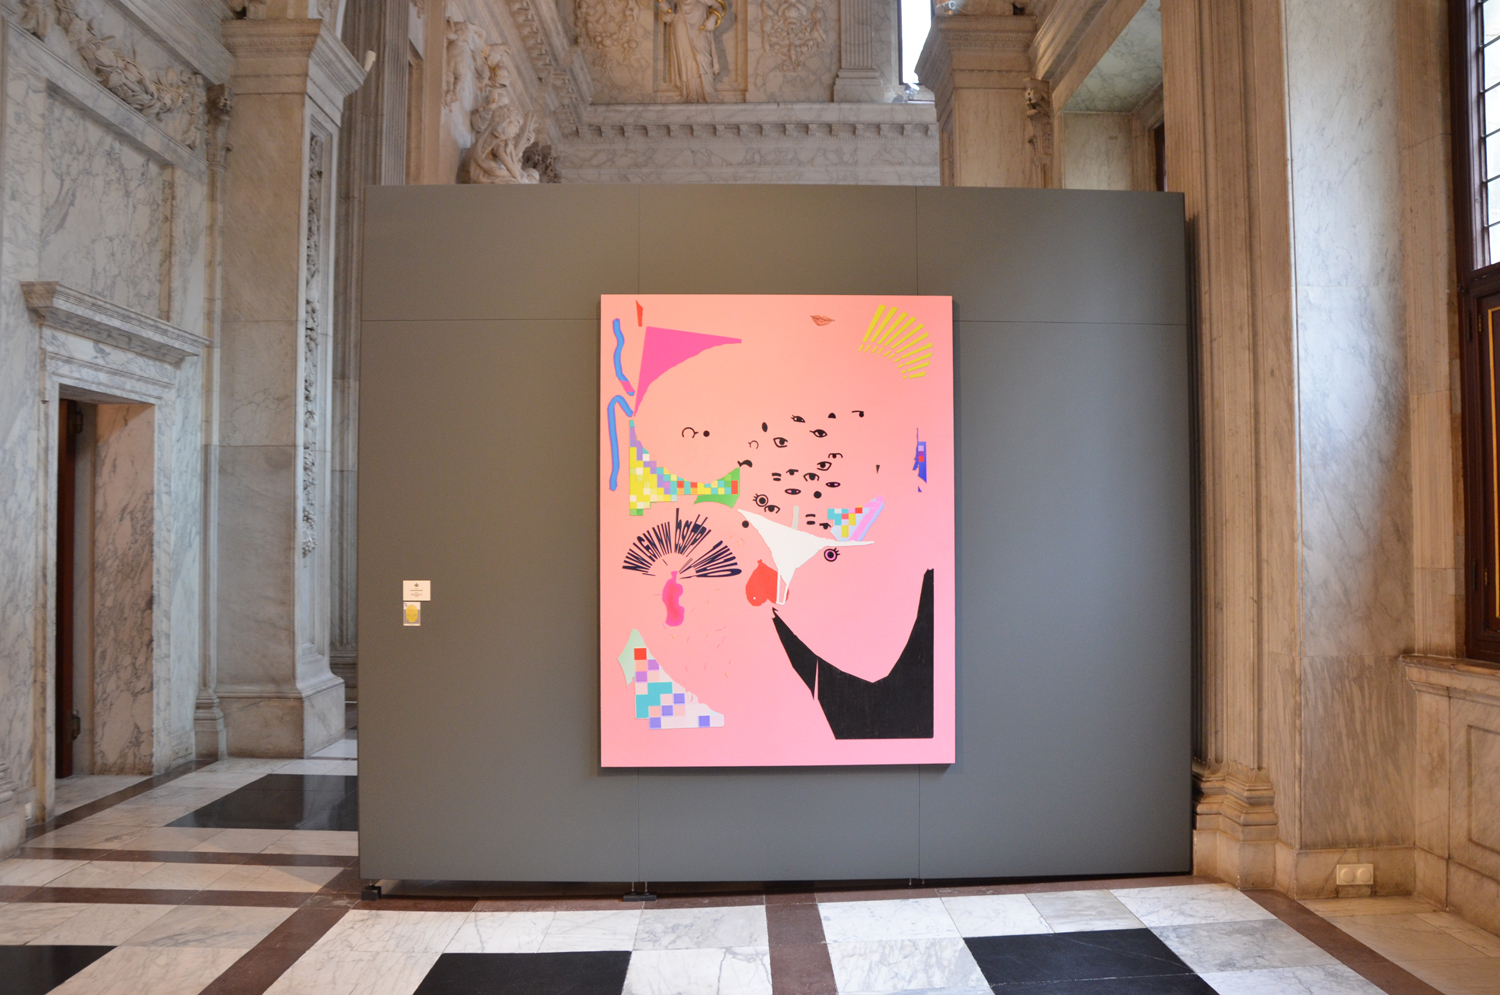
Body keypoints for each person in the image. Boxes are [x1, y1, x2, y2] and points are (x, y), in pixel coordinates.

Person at [656, 0, 726, 103]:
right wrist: (665, 10)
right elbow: (668, 15)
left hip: (700, 25)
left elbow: (719, 5)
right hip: (680, 23)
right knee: (687, 60)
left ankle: (709, 93)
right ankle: (690, 94)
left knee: (702, 57)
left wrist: (713, 18)